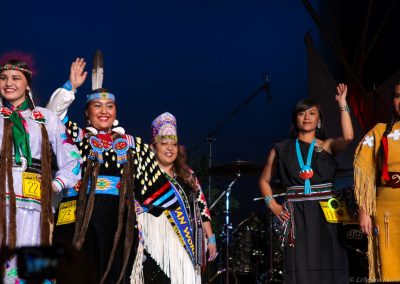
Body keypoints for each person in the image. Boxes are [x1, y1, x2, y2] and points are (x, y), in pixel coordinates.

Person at [46, 57, 178, 284]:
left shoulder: (132, 144)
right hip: (76, 216)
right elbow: (52, 117)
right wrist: (71, 87)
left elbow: (152, 184)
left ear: (116, 112)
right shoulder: (76, 137)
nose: (104, 111)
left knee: (115, 275)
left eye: (109, 106)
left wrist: (137, 205)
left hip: (116, 222)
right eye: (97, 106)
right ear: (87, 113)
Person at [259, 83, 354, 284]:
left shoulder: (327, 145)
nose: (307, 117)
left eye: (312, 113)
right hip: (296, 212)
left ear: (319, 120)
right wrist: (273, 205)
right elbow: (264, 181)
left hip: (327, 210)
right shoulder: (281, 148)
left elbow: (348, 137)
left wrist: (343, 104)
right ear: (296, 119)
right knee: (299, 266)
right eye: (302, 113)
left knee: (331, 261)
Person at [0, 58, 82, 283]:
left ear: (27, 84)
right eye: (3, 78)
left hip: (36, 207)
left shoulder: (46, 118)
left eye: (16, 78)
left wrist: (56, 184)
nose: (9, 83)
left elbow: (74, 160)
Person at [138, 112, 217, 284]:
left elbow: (201, 207)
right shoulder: (144, 176)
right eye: (164, 143)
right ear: (153, 147)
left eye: (173, 144)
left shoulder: (188, 175)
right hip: (155, 247)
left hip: (187, 244)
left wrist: (211, 238)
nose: (169, 148)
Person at [354, 82, 400, 282]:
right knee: (389, 268)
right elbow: (365, 173)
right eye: (398, 96)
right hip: (387, 210)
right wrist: (364, 210)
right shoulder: (380, 131)